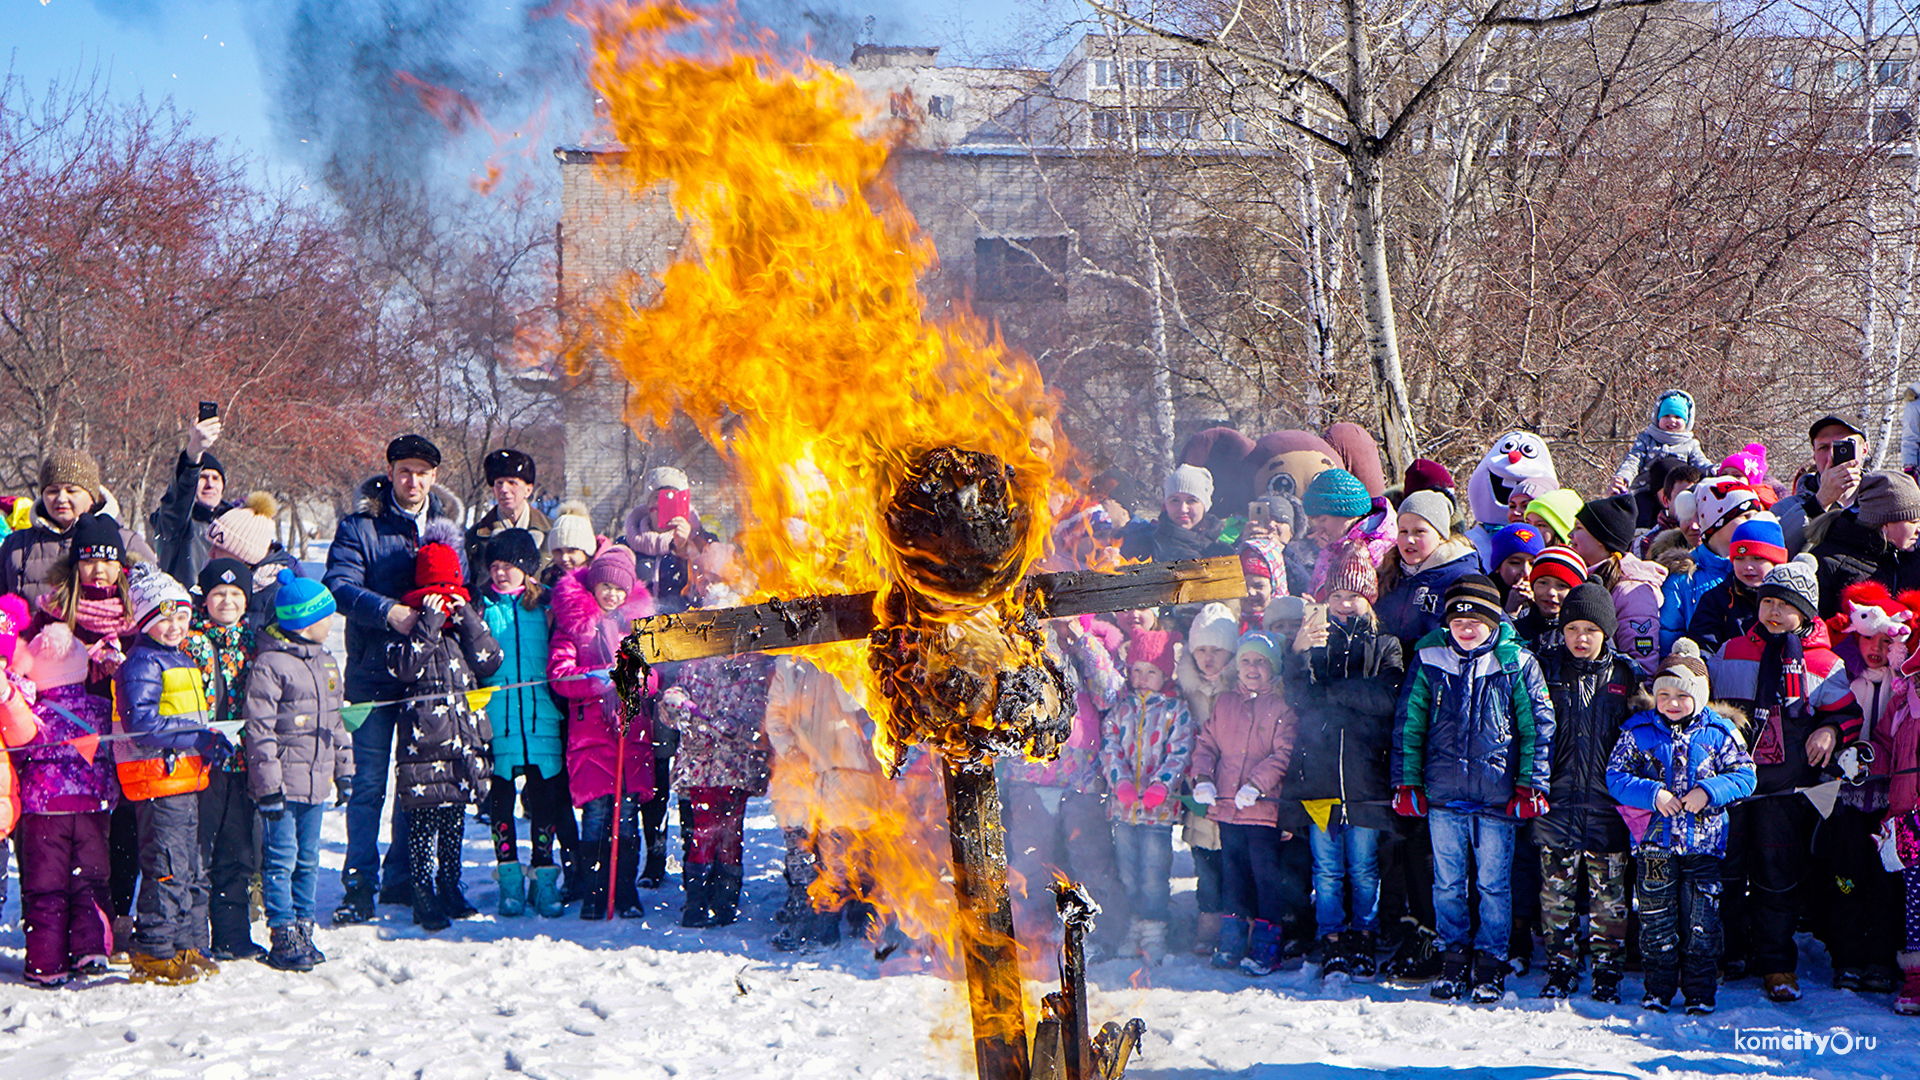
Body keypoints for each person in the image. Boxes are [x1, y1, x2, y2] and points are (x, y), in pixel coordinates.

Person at [1706, 554, 1862, 1002]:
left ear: (1806, 613)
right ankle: (1731, 951)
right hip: (1732, 787)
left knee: (1778, 873)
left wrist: (1830, 731)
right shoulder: (1733, 650)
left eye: (1785, 604)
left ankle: (1777, 963)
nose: (1774, 612)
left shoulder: (1824, 663)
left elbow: (1847, 714)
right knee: (1728, 871)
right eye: (1768, 601)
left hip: (1786, 788)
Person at [1393, 574, 1555, 1003]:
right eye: (1458, 620)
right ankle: (1453, 956)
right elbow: (1410, 723)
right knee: (1447, 882)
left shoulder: (1515, 662)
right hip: (1444, 794)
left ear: (1493, 619)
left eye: (1476, 619)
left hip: (1496, 796)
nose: (1466, 628)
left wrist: (1530, 784)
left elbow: (1537, 726)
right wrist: (1407, 780)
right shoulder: (1430, 658)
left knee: (1492, 884)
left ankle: (1490, 959)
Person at [325, 434, 461, 925]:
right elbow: (338, 586)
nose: (413, 480)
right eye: (405, 470)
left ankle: (407, 874)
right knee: (367, 784)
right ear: (390, 471)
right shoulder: (360, 526)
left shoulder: (447, 529)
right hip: (372, 673)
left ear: (434, 477)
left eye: (423, 472)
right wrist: (389, 613)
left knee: (419, 782)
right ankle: (359, 882)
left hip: (427, 678)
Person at [1607, 640, 1756, 1015]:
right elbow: (1616, 776)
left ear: (1701, 697)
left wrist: (1708, 791)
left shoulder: (1720, 733)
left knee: (1701, 920)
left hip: (1703, 847)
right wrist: (1652, 793)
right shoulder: (1638, 730)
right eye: (1664, 694)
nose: (1673, 702)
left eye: (1682, 696)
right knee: (1656, 918)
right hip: (1654, 845)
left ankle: (1700, 991)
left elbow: (1746, 775)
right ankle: (1657, 988)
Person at [1282, 548, 1403, 979]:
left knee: (1365, 869)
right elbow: (1298, 699)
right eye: (1337, 594)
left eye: (1354, 594)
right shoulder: (1314, 644)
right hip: (1319, 779)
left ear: (1369, 598)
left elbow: (1386, 699)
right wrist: (1297, 654)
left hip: (1367, 780)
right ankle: (1332, 936)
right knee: (1327, 870)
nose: (1345, 603)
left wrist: (1332, 692)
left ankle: (1364, 935)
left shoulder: (1386, 645)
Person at [383, 520, 502, 932]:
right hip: (423, 746)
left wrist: (465, 617)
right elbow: (403, 668)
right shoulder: (408, 630)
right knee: (422, 824)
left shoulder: (465, 630)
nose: (445, 605)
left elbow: (491, 660)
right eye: (438, 598)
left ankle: (450, 886)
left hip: (462, 741)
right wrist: (428, 622)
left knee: (454, 818)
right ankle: (422, 894)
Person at [114, 564, 225, 985]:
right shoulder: (141, 662)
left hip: (184, 779)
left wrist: (210, 740)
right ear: (146, 619)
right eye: (166, 617)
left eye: (182, 616)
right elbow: (142, 726)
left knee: (190, 866)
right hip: (159, 779)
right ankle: (154, 950)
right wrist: (196, 739)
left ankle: (186, 943)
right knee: (166, 866)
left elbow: (185, 717)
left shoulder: (179, 657)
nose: (176, 625)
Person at [1534, 583, 1638, 1002]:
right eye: (1572, 628)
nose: (1580, 638)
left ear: (1606, 632)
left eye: (1590, 630)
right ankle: (1560, 965)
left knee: (1608, 898)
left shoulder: (1625, 675)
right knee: (1555, 896)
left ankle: (1607, 968)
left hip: (1607, 808)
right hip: (1556, 803)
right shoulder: (1546, 670)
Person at [11, 590, 118, 989]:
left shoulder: (31, 711)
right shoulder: (97, 709)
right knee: (88, 879)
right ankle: (91, 949)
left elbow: (19, 753)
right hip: (92, 808)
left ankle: (46, 962)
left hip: (43, 813)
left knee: (46, 886)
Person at [243, 571, 348, 971]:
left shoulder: (326, 662)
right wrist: (268, 785)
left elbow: (337, 721)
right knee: (281, 858)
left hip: (316, 781)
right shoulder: (271, 664)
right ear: (304, 622)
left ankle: (304, 924)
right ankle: (282, 929)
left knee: (309, 857)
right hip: (283, 784)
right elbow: (259, 728)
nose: (331, 624)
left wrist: (345, 768)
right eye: (325, 618)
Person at [548, 542, 656, 920]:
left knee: (625, 815)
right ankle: (596, 893)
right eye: (605, 587)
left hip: (629, 734)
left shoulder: (637, 627)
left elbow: (653, 675)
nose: (612, 594)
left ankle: (624, 890)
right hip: (591, 738)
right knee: (596, 815)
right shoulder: (574, 623)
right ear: (593, 587)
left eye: (619, 588)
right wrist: (598, 682)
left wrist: (631, 680)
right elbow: (560, 676)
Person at [1816, 583, 1911, 993]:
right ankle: (1848, 957)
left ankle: (1880, 958)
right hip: (1845, 798)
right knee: (1846, 877)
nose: (1875, 647)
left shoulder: (1904, 684)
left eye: (1884, 640)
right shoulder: (1842, 675)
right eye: (1868, 637)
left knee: (1886, 881)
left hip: (1892, 800)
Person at [1189, 631, 1300, 976]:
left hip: (1262, 808)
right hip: (1226, 806)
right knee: (1233, 873)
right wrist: (1203, 778)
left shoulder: (1282, 709)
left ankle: (1267, 946)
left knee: (1266, 877)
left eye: (1261, 662)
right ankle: (1232, 940)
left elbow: (1284, 755)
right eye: (1246, 661)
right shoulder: (1224, 703)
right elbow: (1206, 744)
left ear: (1274, 668)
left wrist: (1256, 784)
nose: (1252, 668)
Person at [477, 529, 570, 918]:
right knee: (500, 800)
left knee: (544, 801)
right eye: (495, 566)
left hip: (541, 717)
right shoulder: (480, 605)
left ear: (527, 569)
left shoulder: (546, 606)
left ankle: (544, 878)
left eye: (509, 566)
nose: (500, 574)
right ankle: (509, 877)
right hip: (498, 718)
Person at [765, 654, 886, 952]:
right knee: (811, 853)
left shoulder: (849, 654)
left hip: (850, 769)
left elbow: (861, 706)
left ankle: (863, 913)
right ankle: (822, 923)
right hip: (805, 774)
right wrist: (794, 754)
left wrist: (841, 665)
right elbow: (776, 717)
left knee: (854, 848)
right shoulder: (790, 664)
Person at [1091, 629, 1197, 960]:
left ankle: (1154, 932)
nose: (1142, 678)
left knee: (1153, 874)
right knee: (1127, 873)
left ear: (1165, 673)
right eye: (1136, 670)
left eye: (1150, 671)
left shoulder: (1175, 710)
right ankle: (1132, 929)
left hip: (1158, 812)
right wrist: (1119, 782)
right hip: (1123, 811)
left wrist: (1162, 786)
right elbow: (1108, 746)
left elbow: (1180, 751)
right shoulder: (1120, 708)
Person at [659, 644, 773, 930]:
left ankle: (725, 903)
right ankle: (696, 904)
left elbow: (758, 707)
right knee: (703, 831)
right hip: (701, 765)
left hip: (735, 765)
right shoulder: (697, 662)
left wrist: (737, 725)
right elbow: (677, 690)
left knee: (731, 833)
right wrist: (677, 704)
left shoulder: (752, 665)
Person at [181, 558, 261, 962]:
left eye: (235, 594)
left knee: (239, 851)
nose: (227, 601)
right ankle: (194, 934)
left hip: (245, 763)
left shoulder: (256, 639)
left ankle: (233, 933)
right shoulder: (192, 641)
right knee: (199, 852)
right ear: (205, 599)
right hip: (203, 763)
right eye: (218, 594)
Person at [0, 449, 155, 603]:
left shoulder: (126, 542)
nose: (61, 498)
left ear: (92, 496)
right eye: (53, 491)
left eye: (71, 491)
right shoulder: (17, 545)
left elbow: (157, 600)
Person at [1176, 603, 1238, 955]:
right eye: (1201, 649)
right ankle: (1208, 919)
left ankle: (1234, 921)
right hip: (1198, 787)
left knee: (1235, 856)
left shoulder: (1243, 684)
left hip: (1235, 787)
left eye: (1216, 649)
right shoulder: (1185, 688)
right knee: (1204, 857)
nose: (1208, 657)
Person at [1569, 493, 1669, 676]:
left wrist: (1636, 699)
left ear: (1601, 539)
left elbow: (1642, 664)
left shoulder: (1632, 592)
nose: (1570, 535)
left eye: (1578, 528)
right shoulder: (1580, 576)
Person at [1658, 477, 1760, 655]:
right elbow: (1670, 639)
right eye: (1745, 516)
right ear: (1717, 522)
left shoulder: (1756, 571)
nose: (1753, 523)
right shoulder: (1683, 578)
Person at [1875, 644, 1920, 1014]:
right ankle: (1915, 979)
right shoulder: (1902, 705)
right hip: (1907, 821)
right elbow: (1882, 746)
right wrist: (1863, 760)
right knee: (1915, 903)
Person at [149, 414, 239, 588]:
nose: (210, 484)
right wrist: (193, 453)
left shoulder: (234, 524)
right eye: (203, 477)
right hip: (186, 608)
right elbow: (179, 498)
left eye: (216, 478)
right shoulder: (176, 523)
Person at [1813, 470, 1920, 612]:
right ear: (1885, 523)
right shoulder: (1830, 562)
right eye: (1913, 521)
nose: (1918, 529)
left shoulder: (1910, 560)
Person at [205, 491, 304, 633]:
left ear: (244, 555)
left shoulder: (279, 594)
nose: (210, 554)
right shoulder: (211, 578)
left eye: (219, 548)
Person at [1686, 515, 1786, 653]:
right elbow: (1704, 647)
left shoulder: (1791, 600)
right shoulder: (1716, 599)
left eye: (1757, 558)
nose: (1748, 567)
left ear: (1777, 562)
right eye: (1739, 559)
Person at [623, 467, 713, 613]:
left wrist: (685, 549)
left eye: (672, 497)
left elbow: (709, 589)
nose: (661, 504)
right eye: (657, 497)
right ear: (648, 504)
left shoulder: (703, 542)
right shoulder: (627, 545)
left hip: (686, 628)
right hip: (638, 628)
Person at [1776, 413, 1868, 553]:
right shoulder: (1786, 509)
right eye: (1823, 447)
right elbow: (1777, 552)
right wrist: (1818, 503)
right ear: (1814, 455)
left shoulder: (1883, 500)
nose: (1832, 454)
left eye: (1843, 446)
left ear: (1864, 450)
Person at [1301, 468, 1394, 600]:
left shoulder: (1380, 550)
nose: (1319, 530)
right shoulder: (1330, 550)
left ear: (1345, 513)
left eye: (1323, 520)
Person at [465, 449, 552, 590]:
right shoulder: (475, 537)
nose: (504, 489)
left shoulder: (552, 533)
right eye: (499, 483)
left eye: (512, 482)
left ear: (528, 490)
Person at [1607, 390, 1715, 496]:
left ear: (1687, 421)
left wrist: (1715, 471)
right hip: (1646, 492)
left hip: (1678, 495)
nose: (1672, 420)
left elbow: (1701, 463)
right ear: (1657, 418)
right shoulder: (1646, 440)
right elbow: (1633, 461)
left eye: (1677, 417)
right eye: (1666, 416)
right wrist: (1623, 477)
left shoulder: (1690, 445)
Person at [1120, 464, 1231, 564]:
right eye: (1175, 500)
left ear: (1205, 505)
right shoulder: (1146, 547)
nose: (1183, 509)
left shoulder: (1222, 551)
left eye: (1192, 500)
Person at [543, 500, 597, 587]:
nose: (564, 558)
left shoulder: (598, 583)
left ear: (587, 551)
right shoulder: (549, 580)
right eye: (558, 551)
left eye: (571, 550)